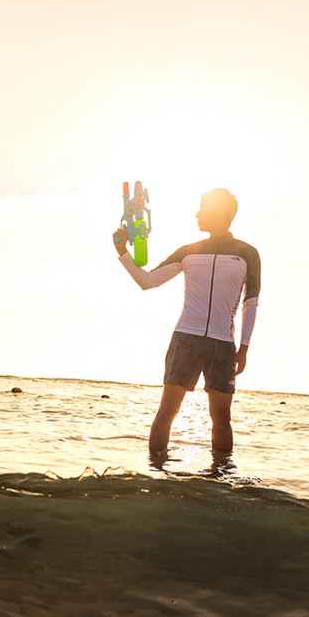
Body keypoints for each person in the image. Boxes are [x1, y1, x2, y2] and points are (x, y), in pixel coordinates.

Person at [113, 188, 261, 454]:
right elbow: (148, 282)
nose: (197, 214)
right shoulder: (188, 252)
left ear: (219, 213)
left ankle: (220, 481)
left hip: (223, 344)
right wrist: (122, 251)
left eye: (203, 209)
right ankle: (157, 475)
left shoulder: (247, 254)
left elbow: (251, 302)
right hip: (186, 339)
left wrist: (244, 348)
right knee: (167, 411)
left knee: (222, 418)